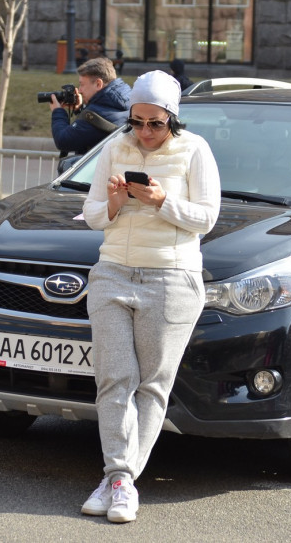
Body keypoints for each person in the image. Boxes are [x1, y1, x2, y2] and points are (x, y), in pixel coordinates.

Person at [80, 70, 221, 523]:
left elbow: (207, 217)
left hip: (171, 278)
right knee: (113, 378)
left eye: (155, 124)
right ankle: (120, 478)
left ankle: (118, 481)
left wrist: (162, 201)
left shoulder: (195, 149)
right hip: (112, 274)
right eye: (136, 121)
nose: (144, 132)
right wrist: (117, 203)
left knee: (152, 386)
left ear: (173, 120)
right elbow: (91, 214)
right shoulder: (114, 148)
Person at [50, 56, 131, 158]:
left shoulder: (96, 114)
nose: (79, 90)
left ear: (98, 84)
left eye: (82, 84)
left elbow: (63, 141)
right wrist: (80, 110)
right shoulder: (127, 100)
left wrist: (58, 112)